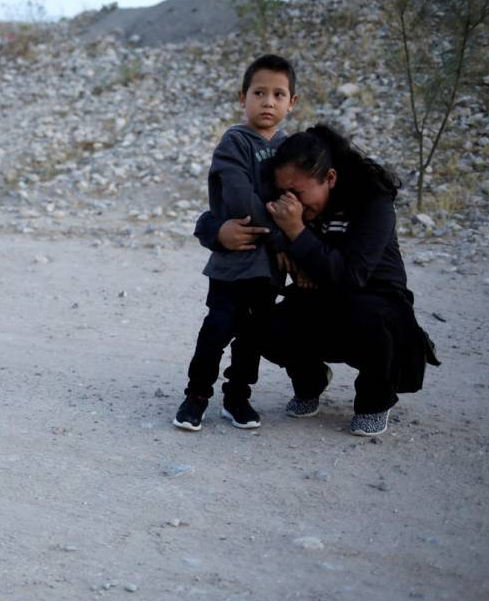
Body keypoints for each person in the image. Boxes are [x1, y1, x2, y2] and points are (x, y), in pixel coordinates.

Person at [262, 124, 439, 436]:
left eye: (299, 194)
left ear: (330, 178)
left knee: (370, 317)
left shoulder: (373, 200)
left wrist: (296, 234)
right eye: (284, 194)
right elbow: (251, 212)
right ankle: (311, 382)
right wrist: (279, 241)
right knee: (266, 323)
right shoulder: (290, 203)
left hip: (378, 303)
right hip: (323, 299)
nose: (293, 205)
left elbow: (352, 277)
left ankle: (375, 401)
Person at [173, 54, 299, 432]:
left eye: (279, 94)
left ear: (292, 103)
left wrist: (291, 243)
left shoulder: (292, 147)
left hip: (269, 270)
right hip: (233, 262)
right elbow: (242, 199)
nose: (268, 102)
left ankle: (237, 397)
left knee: (252, 338)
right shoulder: (234, 142)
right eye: (259, 93)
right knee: (217, 328)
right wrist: (281, 237)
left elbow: (298, 199)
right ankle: (196, 396)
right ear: (242, 96)